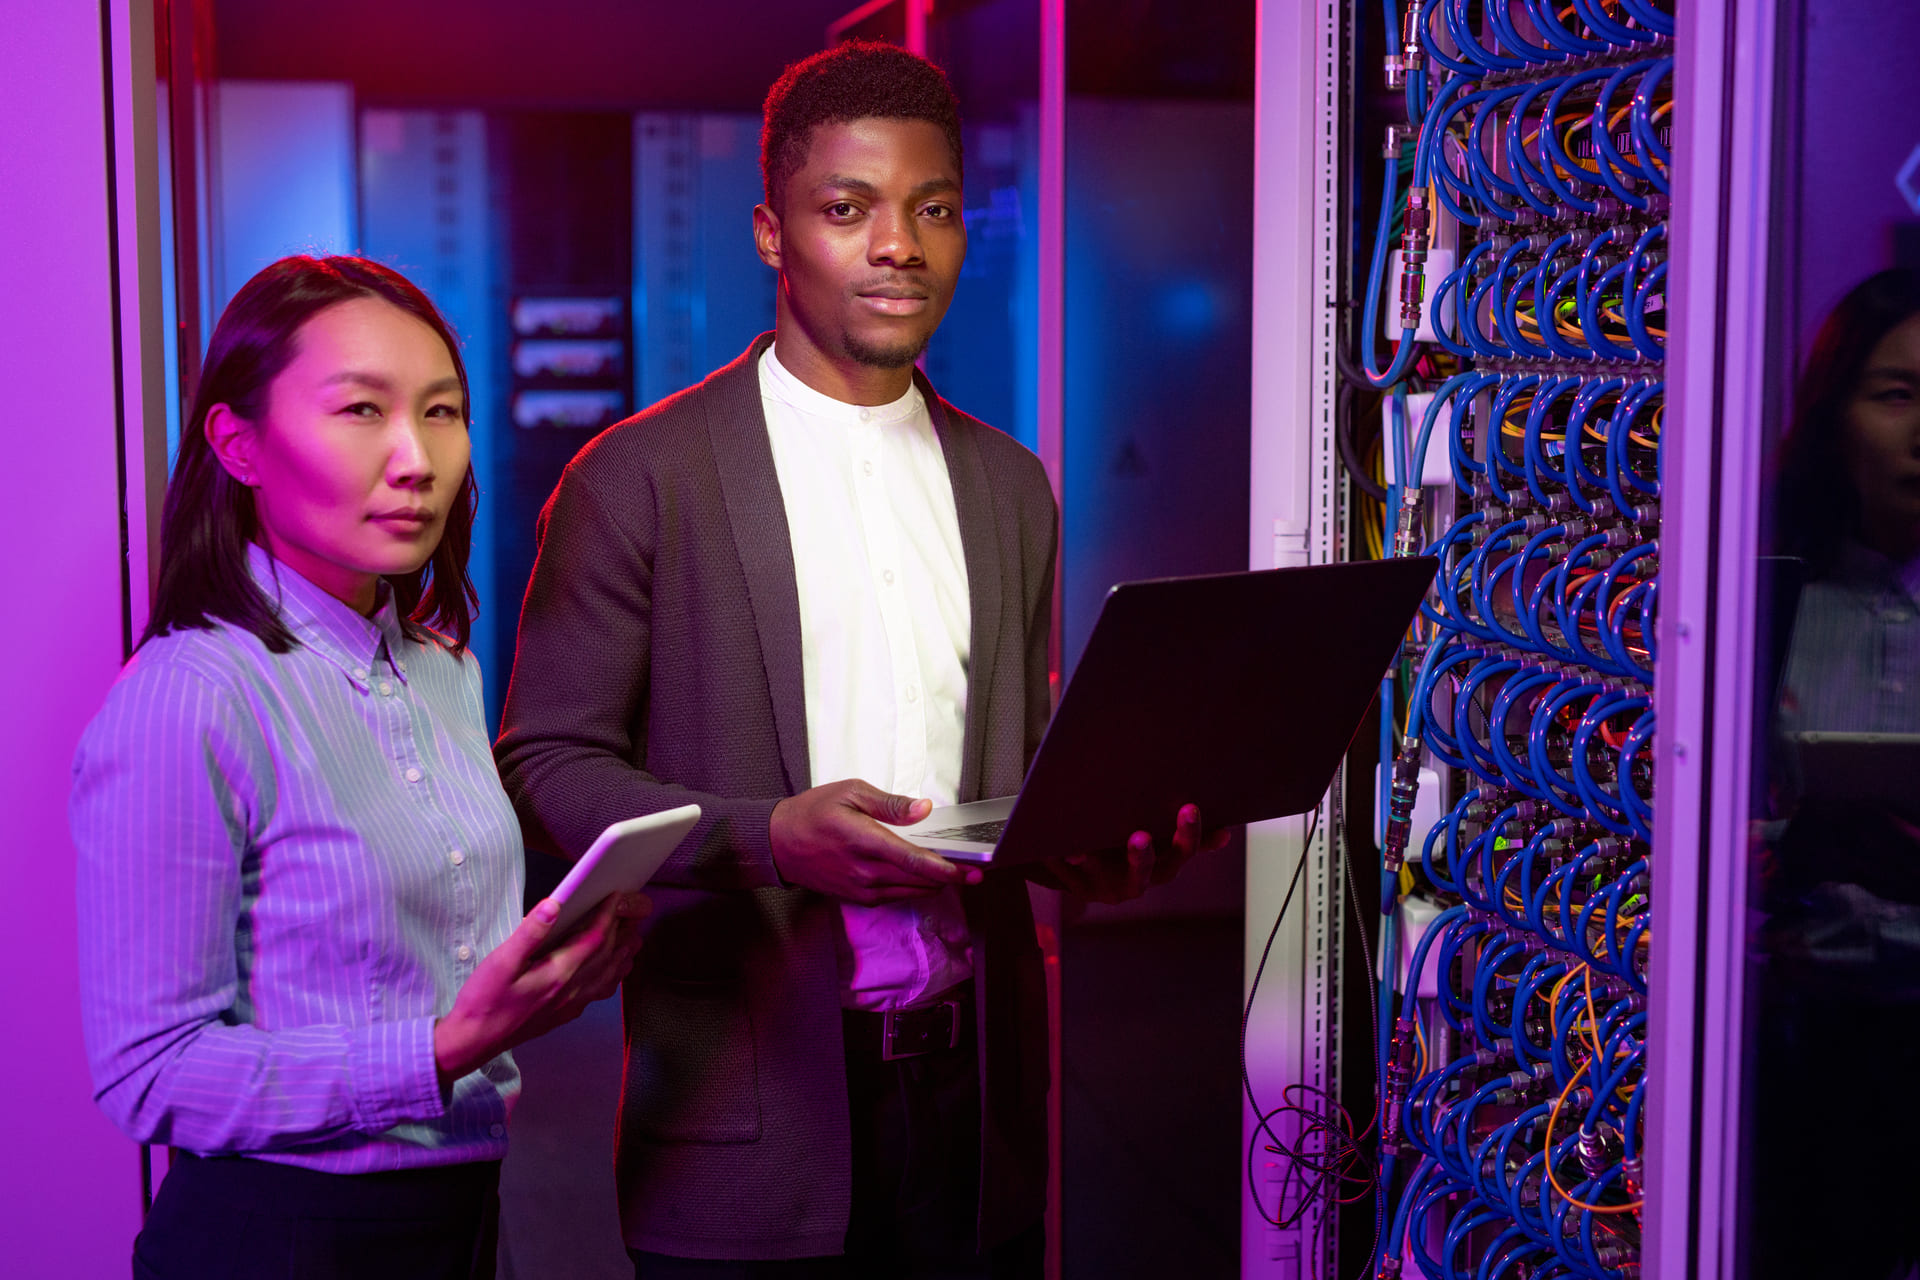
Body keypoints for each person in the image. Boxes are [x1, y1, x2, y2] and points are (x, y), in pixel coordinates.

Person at [495, 41, 1224, 1277]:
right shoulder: (638, 479)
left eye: (933, 209)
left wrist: (1089, 836)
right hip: (754, 1111)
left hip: (974, 1103)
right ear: (774, 233)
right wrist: (769, 834)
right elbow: (544, 763)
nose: (901, 245)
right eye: (849, 210)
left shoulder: (1011, 485)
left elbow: (1014, 751)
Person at [72, 255, 649, 1280]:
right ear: (238, 443)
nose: (416, 458)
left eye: (440, 412)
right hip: (281, 1234)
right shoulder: (192, 693)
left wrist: (553, 971)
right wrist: (438, 1048)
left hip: (464, 1210)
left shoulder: (442, 666)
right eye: (360, 411)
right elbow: (149, 1073)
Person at [1749, 267, 1920, 1279]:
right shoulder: (1763, 605)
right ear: (1832, 410)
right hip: (1799, 1053)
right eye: (1896, 395)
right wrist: (1786, 852)